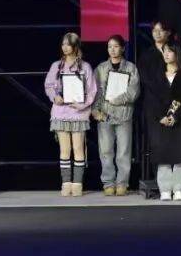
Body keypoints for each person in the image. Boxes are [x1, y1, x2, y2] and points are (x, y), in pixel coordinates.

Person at [43, 33, 96, 197]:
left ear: (75, 46)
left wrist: (82, 104)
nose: (65, 47)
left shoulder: (85, 67)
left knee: (78, 148)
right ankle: (66, 184)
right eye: (63, 44)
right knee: (64, 150)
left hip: (78, 113)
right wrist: (55, 97)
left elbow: (92, 90)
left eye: (68, 44)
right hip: (61, 113)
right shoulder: (56, 66)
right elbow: (49, 85)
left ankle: (77, 184)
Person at [145, 42, 181, 201]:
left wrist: (176, 116)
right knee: (163, 156)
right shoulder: (156, 74)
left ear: (177, 53)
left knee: (180, 155)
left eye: (170, 51)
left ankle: (179, 188)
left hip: (180, 121)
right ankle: (165, 189)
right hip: (160, 122)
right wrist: (161, 116)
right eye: (164, 51)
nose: (166, 54)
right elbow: (150, 99)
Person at [91, 35, 140, 196]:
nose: (112, 49)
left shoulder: (131, 68)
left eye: (116, 46)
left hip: (124, 114)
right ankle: (108, 183)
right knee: (105, 151)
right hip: (105, 114)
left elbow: (134, 92)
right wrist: (95, 110)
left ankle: (122, 183)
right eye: (109, 46)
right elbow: (95, 92)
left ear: (123, 48)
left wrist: (117, 99)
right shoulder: (101, 68)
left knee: (123, 151)